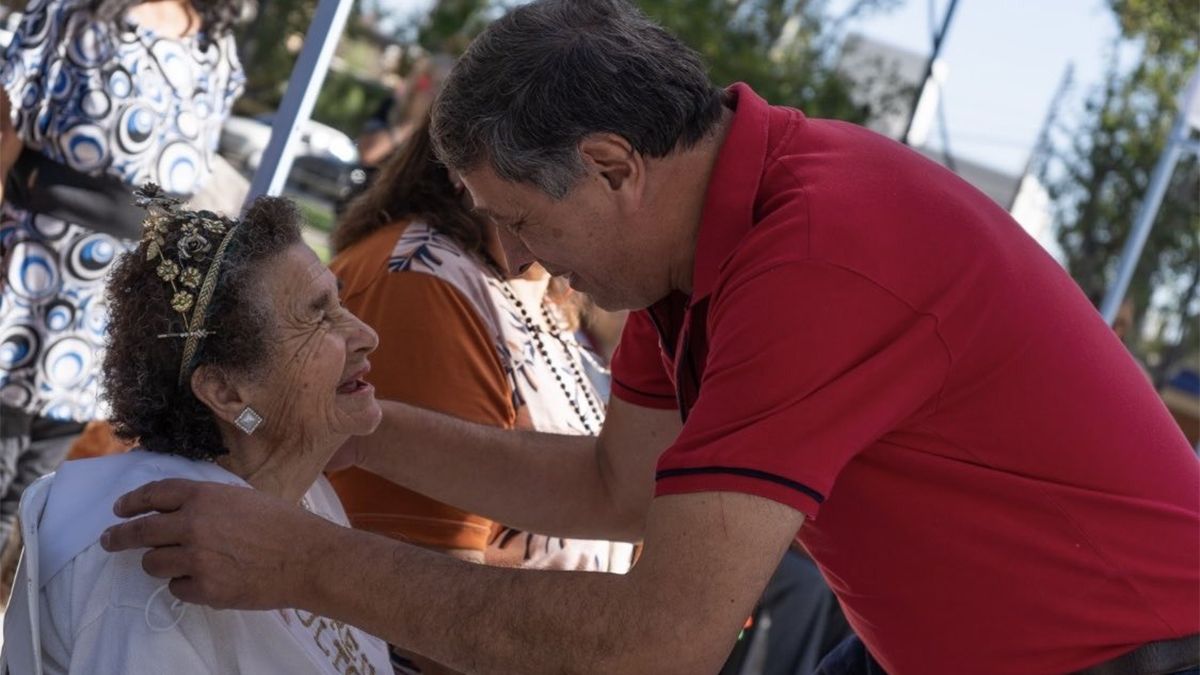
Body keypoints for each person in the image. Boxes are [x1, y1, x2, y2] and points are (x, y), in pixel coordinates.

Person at [99, 2, 1200, 673]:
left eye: (525, 219)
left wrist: (308, 564)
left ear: (617, 167)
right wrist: (354, 431)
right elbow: (612, 485)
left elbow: (657, 642)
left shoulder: (813, 255)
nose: (524, 253)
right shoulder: (699, 248)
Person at [0, 188, 393, 674]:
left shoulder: (308, 490)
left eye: (339, 303)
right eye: (317, 316)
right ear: (227, 393)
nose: (365, 335)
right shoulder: (154, 570)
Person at [0, 0, 245, 556]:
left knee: (35, 476)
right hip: (32, 261)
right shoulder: (73, 13)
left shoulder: (216, 50)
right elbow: (3, 124)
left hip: (116, 289)